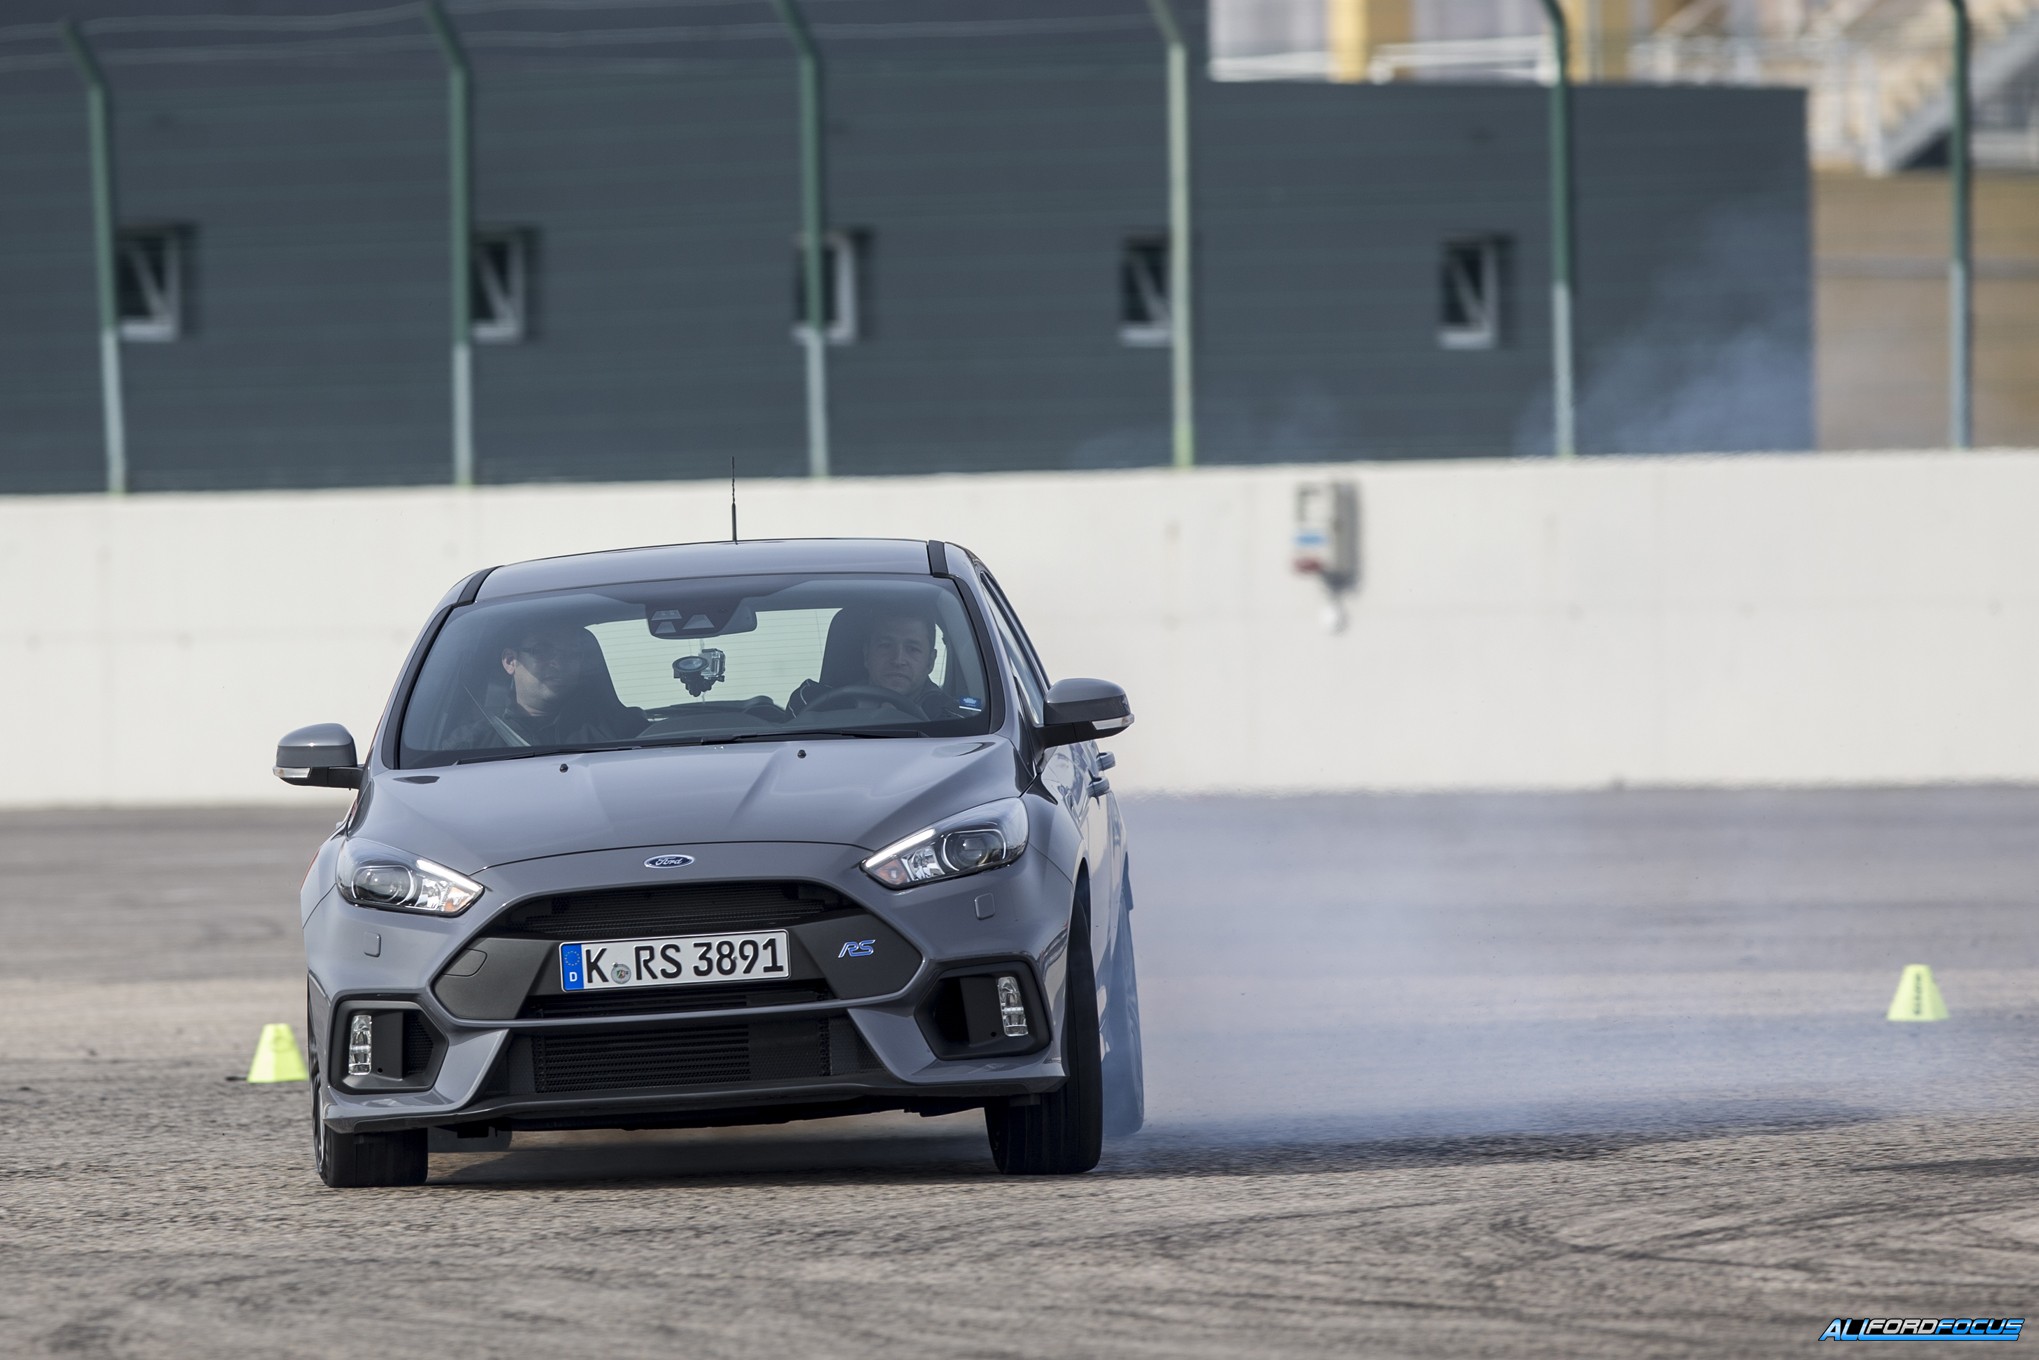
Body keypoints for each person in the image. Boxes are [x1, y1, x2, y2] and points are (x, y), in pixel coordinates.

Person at [447, 623, 644, 750]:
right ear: (510, 660)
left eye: (572, 653)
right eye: (542, 650)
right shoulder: (470, 745)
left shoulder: (623, 731)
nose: (559, 662)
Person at [786, 609, 960, 721]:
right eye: (886, 645)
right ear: (866, 654)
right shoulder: (810, 702)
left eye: (912, 649)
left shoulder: (954, 717)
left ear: (930, 661)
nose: (898, 660)